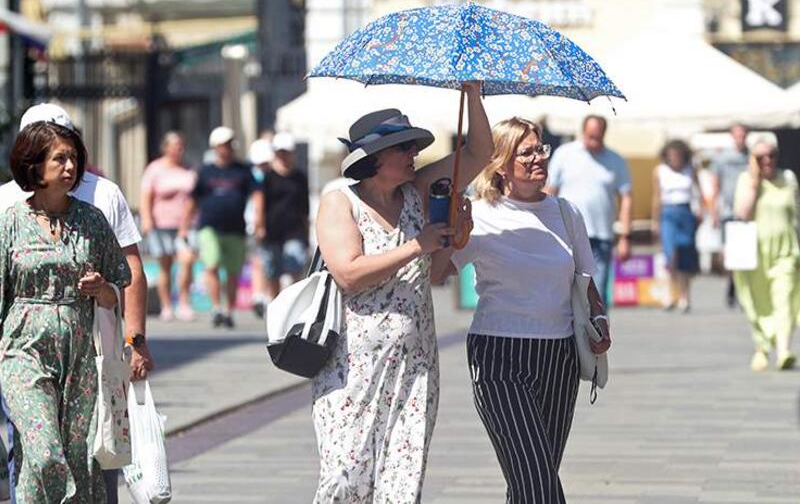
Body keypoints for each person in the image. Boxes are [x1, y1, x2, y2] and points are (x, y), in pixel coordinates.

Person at [312, 82, 492, 502]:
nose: (414, 154)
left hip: (416, 362)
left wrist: (473, 96)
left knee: (402, 481)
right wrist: (418, 245)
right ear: (374, 159)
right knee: (345, 477)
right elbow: (349, 274)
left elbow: (479, 155)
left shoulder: (418, 194)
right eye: (403, 148)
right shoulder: (341, 203)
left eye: (414, 146)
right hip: (352, 366)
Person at [437, 117, 611, 503]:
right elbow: (436, 274)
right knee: (537, 483)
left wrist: (600, 322)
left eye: (541, 149)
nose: (538, 158)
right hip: (499, 355)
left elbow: (585, 280)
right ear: (500, 164)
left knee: (532, 478)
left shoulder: (566, 213)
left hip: (558, 356)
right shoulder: (477, 213)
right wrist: (449, 232)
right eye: (526, 151)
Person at [0, 104, 153, 504]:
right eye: (59, 158)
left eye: (73, 157)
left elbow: (124, 280)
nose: (70, 166)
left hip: (80, 349)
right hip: (22, 347)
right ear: (33, 161)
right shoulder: (8, 218)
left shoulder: (93, 216)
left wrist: (107, 295)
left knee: (79, 453)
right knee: (43, 450)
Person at [181, 126, 264, 329]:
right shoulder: (206, 171)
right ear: (215, 147)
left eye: (229, 144)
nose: (227, 148)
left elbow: (257, 195)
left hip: (236, 228)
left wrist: (259, 221)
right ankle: (217, 307)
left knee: (233, 271)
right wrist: (184, 226)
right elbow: (193, 200)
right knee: (212, 265)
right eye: (223, 144)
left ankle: (229, 310)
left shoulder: (243, 170)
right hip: (209, 227)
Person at [546, 115, 632, 301]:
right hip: (567, 234)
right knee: (567, 292)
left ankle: (598, 330)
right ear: (582, 132)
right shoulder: (564, 154)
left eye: (597, 137)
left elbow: (626, 197)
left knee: (598, 294)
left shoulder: (615, 160)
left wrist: (625, 236)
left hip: (601, 236)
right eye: (590, 136)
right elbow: (550, 191)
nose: (593, 141)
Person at [732, 137, 799, 371]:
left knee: (785, 300)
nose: (768, 161)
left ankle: (783, 350)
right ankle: (762, 346)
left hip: (786, 252)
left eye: (772, 155)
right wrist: (754, 181)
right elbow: (743, 214)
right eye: (761, 157)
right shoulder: (745, 180)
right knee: (759, 303)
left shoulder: (788, 178)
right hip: (754, 254)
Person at [140, 131, 197, 322]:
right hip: (161, 223)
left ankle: (184, 301)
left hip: (185, 225)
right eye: (174, 146)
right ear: (165, 148)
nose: (178, 149)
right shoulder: (155, 169)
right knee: (165, 265)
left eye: (181, 145)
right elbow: (146, 196)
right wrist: (147, 220)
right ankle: (166, 306)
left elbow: (195, 197)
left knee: (187, 261)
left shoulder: (189, 169)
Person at [652, 139, 702, 313]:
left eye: (678, 155)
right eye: (671, 156)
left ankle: (684, 295)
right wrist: (655, 221)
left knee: (686, 255)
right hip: (668, 213)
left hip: (686, 212)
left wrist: (700, 211)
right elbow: (657, 197)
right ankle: (669, 294)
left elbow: (698, 192)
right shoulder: (660, 171)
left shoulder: (690, 170)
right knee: (670, 254)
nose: (675, 159)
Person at [259, 132, 310, 304]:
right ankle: (276, 303)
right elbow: (260, 203)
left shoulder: (300, 177)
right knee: (273, 270)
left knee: (294, 264)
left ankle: (293, 303)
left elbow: (305, 207)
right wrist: (259, 226)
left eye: (286, 151)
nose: (283, 155)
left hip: (294, 229)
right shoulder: (268, 177)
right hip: (272, 229)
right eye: (280, 151)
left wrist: (307, 232)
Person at [710, 124, 750, 308]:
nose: (740, 137)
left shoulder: (752, 156)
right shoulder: (722, 157)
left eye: (743, 134)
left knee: (745, 254)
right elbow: (715, 184)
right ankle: (733, 284)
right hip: (727, 210)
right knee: (730, 254)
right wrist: (713, 211)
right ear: (732, 136)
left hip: (747, 211)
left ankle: (740, 289)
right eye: (738, 134)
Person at [248, 135, 275, 318]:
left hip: (267, 224)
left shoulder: (268, 176)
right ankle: (259, 295)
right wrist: (258, 225)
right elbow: (257, 204)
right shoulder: (254, 176)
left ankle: (263, 295)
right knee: (260, 261)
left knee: (264, 262)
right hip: (255, 224)